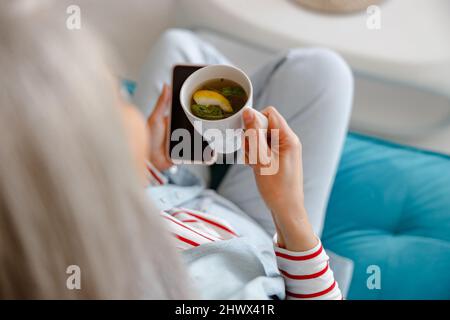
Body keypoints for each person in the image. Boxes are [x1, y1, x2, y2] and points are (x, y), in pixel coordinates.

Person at [0, 2, 353, 299]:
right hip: (261, 228)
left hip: (175, 192)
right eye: (120, 100)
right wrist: (290, 213)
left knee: (180, 46)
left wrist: (147, 172)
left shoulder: (61, 229)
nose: (131, 108)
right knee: (325, 70)